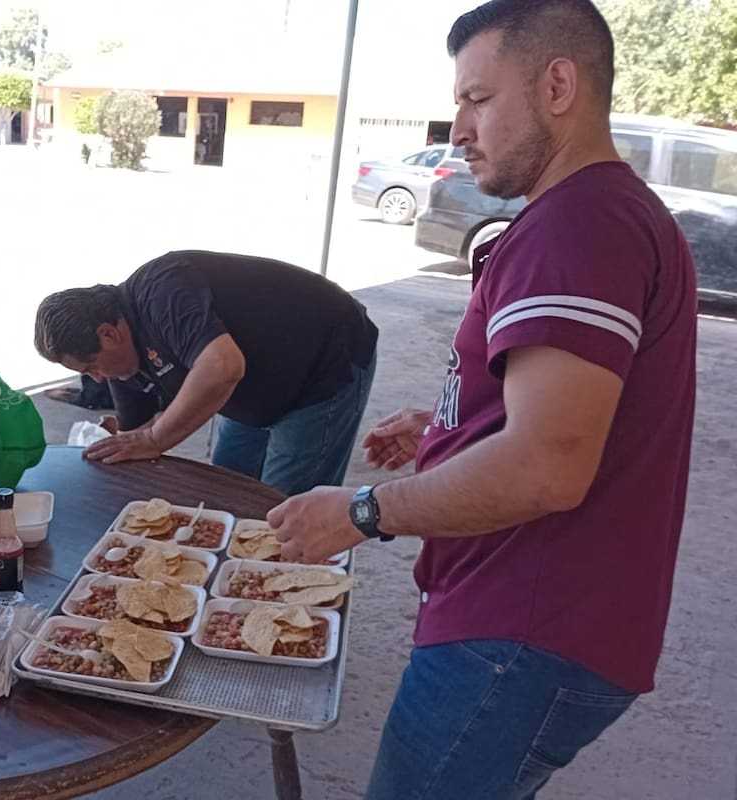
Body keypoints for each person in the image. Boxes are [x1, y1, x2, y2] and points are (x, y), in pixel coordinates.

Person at [268, 1, 697, 797]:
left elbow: (547, 466)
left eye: (477, 99)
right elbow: (576, 413)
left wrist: (361, 511)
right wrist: (449, 428)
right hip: (546, 622)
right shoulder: (604, 214)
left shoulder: (579, 225)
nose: (457, 129)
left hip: (522, 628)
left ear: (558, 84)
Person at [33, 250, 379, 495]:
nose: (95, 379)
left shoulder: (163, 292)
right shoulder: (123, 364)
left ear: (110, 334)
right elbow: (130, 443)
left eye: (91, 366)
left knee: (283, 507)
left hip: (324, 361)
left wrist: (156, 439)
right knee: (224, 489)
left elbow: (223, 366)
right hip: (255, 383)